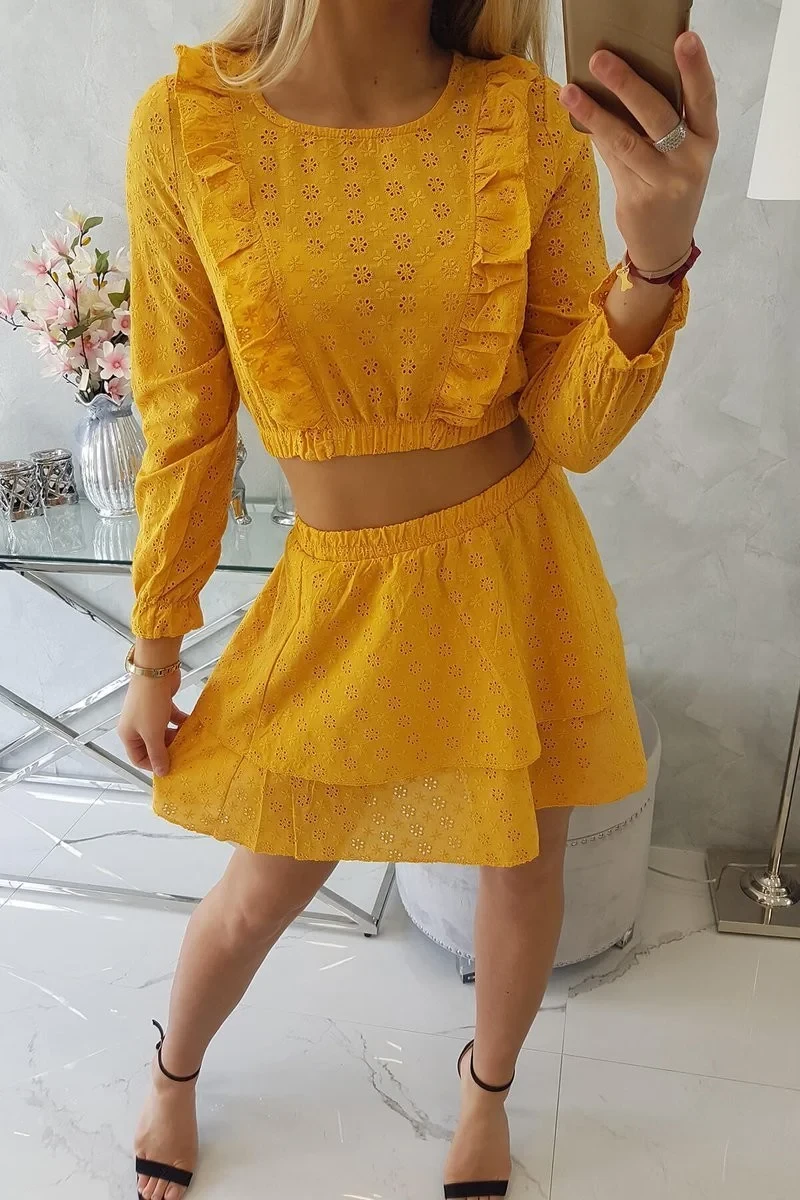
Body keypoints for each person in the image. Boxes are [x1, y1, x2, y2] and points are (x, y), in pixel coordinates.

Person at [119, 1, 717, 1196]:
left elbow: (568, 428)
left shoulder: (518, 117)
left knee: (524, 874)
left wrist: (653, 261)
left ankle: (483, 1097)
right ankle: (173, 1069)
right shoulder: (186, 126)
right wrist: (155, 644)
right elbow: (183, 420)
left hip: (514, 571)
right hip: (340, 594)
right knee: (260, 888)